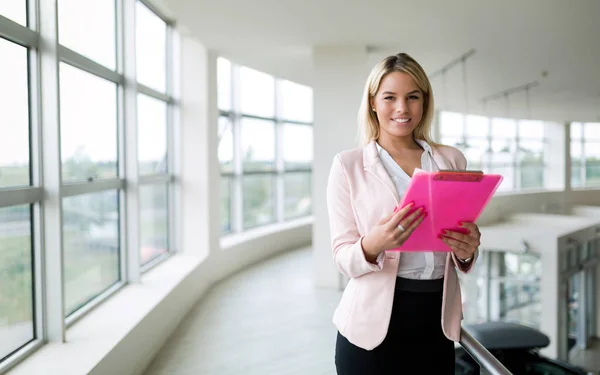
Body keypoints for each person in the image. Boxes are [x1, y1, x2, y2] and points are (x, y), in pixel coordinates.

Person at [326, 52, 481, 374]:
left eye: (413, 97)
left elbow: (458, 243)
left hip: (436, 323)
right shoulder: (348, 165)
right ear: (372, 102)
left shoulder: (450, 160)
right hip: (370, 330)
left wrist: (467, 250)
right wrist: (374, 243)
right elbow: (342, 257)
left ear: (425, 101)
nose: (402, 108)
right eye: (390, 97)